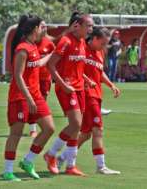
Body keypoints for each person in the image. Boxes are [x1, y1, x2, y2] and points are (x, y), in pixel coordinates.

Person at [57, 27, 121, 174]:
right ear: (95, 39)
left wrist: (111, 85)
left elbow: (99, 72)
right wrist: (86, 80)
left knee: (86, 134)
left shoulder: (100, 52)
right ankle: (101, 166)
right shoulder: (82, 49)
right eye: (102, 43)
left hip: (97, 95)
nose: (104, 46)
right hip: (86, 94)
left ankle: (61, 158)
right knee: (98, 129)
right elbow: (76, 70)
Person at [2, 14, 55, 181]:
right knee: (16, 133)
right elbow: (18, 76)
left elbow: (38, 64)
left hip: (36, 95)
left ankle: (28, 161)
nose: (44, 29)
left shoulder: (33, 46)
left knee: (49, 128)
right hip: (20, 97)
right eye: (42, 26)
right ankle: (8, 171)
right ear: (35, 29)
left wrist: (53, 53)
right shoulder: (23, 48)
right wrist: (29, 99)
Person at [44, 11, 94, 176]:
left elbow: (77, 66)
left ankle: (70, 165)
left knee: (76, 128)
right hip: (66, 88)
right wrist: (63, 84)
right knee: (76, 124)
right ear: (77, 26)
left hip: (79, 88)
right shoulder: (66, 41)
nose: (91, 29)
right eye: (88, 26)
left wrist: (86, 79)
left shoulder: (82, 43)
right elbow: (51, 65)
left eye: (92, 26)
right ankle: (51, 154)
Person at [28, 21, 56, 138]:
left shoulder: (49, 44)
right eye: (42, 26)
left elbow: (55, 57)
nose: (44, 28)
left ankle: (43, 127)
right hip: (33, 79)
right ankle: (32, 129)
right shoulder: (31, 43)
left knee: (42, 102)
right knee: (33, 103)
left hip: (45, 79)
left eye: (45, 26)